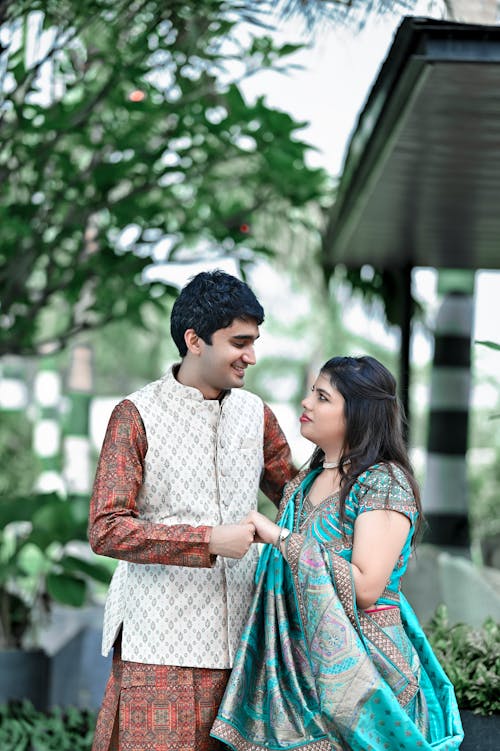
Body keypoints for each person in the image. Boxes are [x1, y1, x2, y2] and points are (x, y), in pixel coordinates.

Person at [88, 269, 296, 751]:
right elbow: (106, 528)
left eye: (254, 342)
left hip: (246, 646)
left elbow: (297, 498)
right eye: (239, 342)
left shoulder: (256, 414)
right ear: (194, 340)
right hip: (159, 647)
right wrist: (207, 540)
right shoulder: (137, 414)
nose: (252, 356)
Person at [212, 355, 464, 750]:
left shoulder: (383, 482)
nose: (306, 404)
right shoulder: (303, 483)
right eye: (312, 393)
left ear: (358, 414)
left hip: (368, 678)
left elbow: (365, 586)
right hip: (299, 673)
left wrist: (280, 538)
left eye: (322, 397)